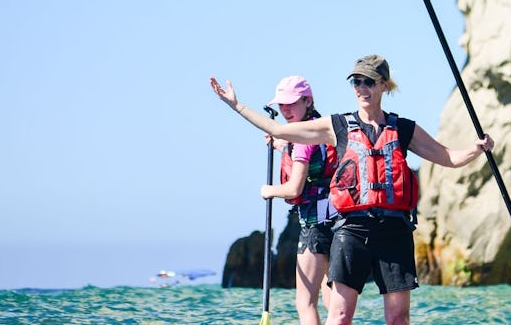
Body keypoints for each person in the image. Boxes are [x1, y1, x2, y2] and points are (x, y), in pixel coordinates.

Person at [210, 54, 494, 325]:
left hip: (395, 230)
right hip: (351, 231)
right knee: (340, 316)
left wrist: (477, 149)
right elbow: (281, 130)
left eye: (368, 82)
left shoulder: (404, 128)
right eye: (356, 82)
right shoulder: (338, 126)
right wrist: (237, 106)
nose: (361, 88)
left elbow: (449, 158)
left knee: (398, 319)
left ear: (384, 84)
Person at [260, 75, 338, 325]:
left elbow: (295, 188)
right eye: (281, 105)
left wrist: (269, 190)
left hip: (315, 225)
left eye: (291, 103)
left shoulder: (303, 140)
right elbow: (315, 161)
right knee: (332, 303)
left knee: (305, 303)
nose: (285, 110)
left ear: (308, 101)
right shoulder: (320, 127)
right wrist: (283, 144)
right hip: (338, 221)